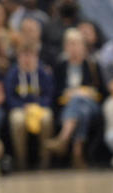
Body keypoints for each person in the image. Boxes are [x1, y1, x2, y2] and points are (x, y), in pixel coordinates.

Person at [45, 29, 105, 168]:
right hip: (69, 107)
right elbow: (55, 93)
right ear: (65, 47)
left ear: (83, 46)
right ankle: (77, 152)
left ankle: (63, 138)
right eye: (70, 44)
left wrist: (87, 92)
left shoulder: (92, 65)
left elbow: (103, 91)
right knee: (80, 109)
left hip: (92, 106)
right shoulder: (60, 67)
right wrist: (68, 94)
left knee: (79, 100)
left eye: (76, 44)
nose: (73, 48)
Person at [5, 42, 54, 170]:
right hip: (20, 108)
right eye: (23, 55)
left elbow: (49, 95)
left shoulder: (43, 72)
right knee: (17, 120)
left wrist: (37, 106)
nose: (27, 59)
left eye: (30, 55)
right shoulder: (13, 74)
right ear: (18, 57)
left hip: (39, 107)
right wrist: (23, 106)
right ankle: (21, 159)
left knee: (47, 118)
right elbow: (9, 98)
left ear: (36, 56)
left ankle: (45, 159)